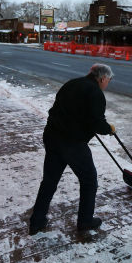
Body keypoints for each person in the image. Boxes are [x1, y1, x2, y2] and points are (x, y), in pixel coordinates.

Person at [29, 63, 115, 235]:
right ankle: (85, 221)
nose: (108, 84)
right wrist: (109, 129)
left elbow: (62, 110)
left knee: (49, 181)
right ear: (103, 78)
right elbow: (97, 123)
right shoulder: (95, 92)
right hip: (72, 143)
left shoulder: (72, 83)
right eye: (108, 81)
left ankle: (36, 222)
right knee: (89, 181)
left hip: (53, 136)